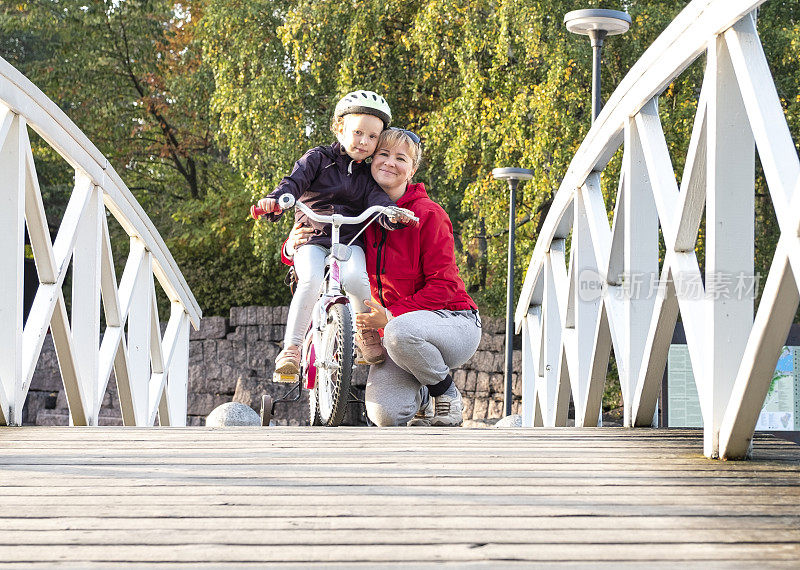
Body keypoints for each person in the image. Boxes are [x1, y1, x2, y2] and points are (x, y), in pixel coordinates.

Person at [287, 127, 481, 426]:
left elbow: (443, 287)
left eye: (401, 158)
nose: (390, 162)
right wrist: (292, 246)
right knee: (385, 415)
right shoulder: (358, 215)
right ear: (371, 161)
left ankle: (445, 393)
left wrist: (390, 315)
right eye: (383, 154)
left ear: (412, 169)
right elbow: (323, 251)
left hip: (451, 322)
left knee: (399, 332)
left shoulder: (428, 214)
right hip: (397, 333)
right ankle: (423, 396)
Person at [257, 90, 404, 376]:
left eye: (373, 137)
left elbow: (378, 200)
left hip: (349, 239)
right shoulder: (318, 159)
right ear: (339, 128)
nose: (364, 141)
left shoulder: (367, 174)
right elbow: (293, 183)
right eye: (358, 132)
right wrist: (277, 200)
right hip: (311, 235)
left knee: (357, 280)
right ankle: (292, 348)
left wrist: (391, 215)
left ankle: (365, 334)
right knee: (310, 279)